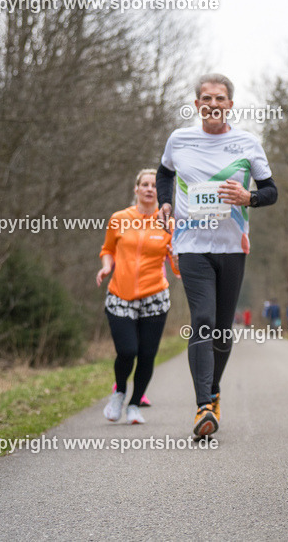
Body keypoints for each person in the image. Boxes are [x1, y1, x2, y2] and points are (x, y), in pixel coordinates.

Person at [156, 73, 278, 438]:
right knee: (204, 319)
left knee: (223, 331)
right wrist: (165, 202)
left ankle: (213, 391)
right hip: (191, 246)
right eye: (206, 97)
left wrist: (249, 198)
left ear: (229, 104)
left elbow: (271, 191)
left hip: (231, 247)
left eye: (220, 98)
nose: (213, 103)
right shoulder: (180, 139)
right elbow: (165, 173)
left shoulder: (246, 142)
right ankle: (203, 407)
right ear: (196, 104)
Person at [96, 169, 179, 425]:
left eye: (154, 185)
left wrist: (177, 257)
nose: (149, 189)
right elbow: (107, 249)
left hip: (154, 297)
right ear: (136, 189)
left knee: (147, 354)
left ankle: (134, 405)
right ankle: (119, 393)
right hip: (121, 295)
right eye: (145, 184)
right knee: (127, 350)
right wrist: (107, 266)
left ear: (160, 191)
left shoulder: (168, 223)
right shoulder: (119, 218)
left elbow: (176, 269)